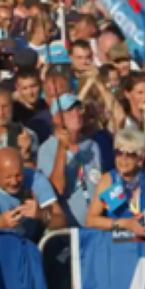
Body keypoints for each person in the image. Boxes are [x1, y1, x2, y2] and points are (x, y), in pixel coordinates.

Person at [86, 128, 145, 236]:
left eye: (130, 154)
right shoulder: (108, 180)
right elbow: (91, 220)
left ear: (140, 159)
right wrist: (125, 224)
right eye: (119, 153)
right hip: (117, 246)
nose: (123, 159)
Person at [0, 147, 66, 242]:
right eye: (8, 177)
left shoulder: (37, 179)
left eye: (18, 175)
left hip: (27, 245)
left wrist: (41, 214)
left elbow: (62, 221)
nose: (14, 182)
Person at [38, 94, 104, 227]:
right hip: (69, 233)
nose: (76, 114)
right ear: (56, 118)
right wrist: (62, 150)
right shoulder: (46, 149)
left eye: (78, 108)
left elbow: (99, 185)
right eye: (69, 111)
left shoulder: (93, 145)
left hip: (96, 229)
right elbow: (57, 189)